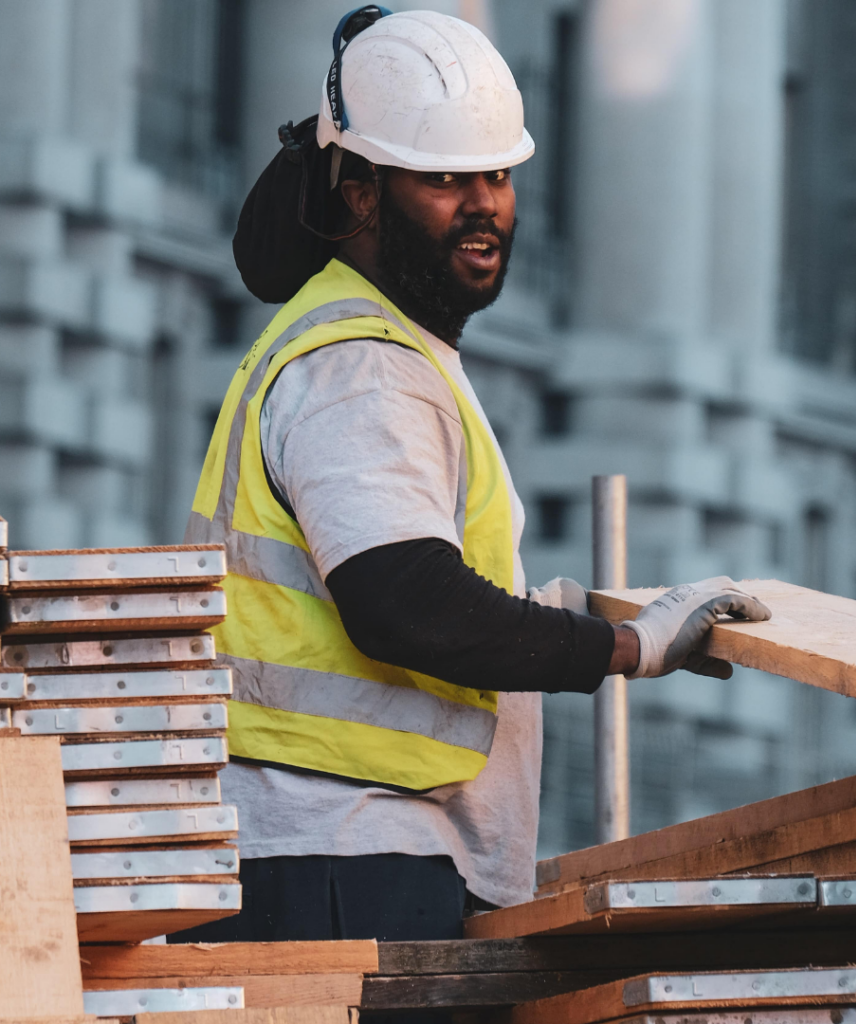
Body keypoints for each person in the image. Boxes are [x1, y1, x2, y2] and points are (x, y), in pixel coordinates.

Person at [177, 6, 770, 954]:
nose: (484, 205)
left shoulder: (386, 347)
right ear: (363, 192)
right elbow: (403, 600)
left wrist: (556, 612)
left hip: (351, 852)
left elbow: (398, 580)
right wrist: (623, 650)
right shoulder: (359, 365)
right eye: (444, 178)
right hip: (342, 858)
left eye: (495, 173)